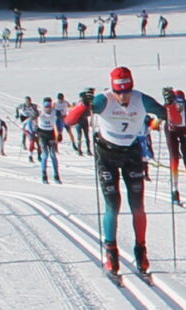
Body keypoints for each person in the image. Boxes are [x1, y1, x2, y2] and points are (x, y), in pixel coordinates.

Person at [65, 67, 167, 277]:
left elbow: (166, 115)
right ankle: (111, 252)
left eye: (126, 92)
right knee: (113, 204)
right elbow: (70, 121)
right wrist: (83, 103)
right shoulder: (104, 100)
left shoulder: (141, 99)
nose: (123, 97)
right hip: (107, 154)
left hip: (131, 153)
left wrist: (171, 104)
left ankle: (141, 250)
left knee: (137, 206)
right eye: (119, 92)